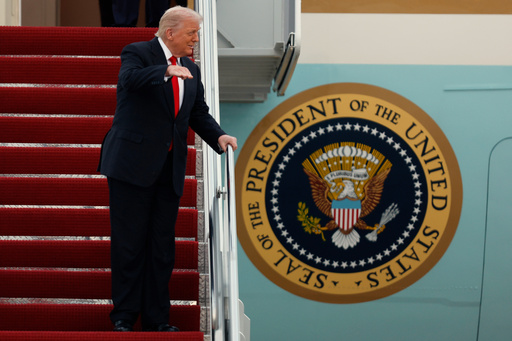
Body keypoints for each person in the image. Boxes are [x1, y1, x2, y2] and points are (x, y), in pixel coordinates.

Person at [97, 6, 237, 332]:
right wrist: (165, 71)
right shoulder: (138, 52)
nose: (197, 40)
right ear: (170, 32)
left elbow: (197, 112)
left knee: (162, 247)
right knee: (130, 245)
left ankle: (158, 319)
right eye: (192, 33)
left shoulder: (191, 68)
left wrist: (219, 136)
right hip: (131, 166)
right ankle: (124, 317)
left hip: (168, 168)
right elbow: (128, 80)